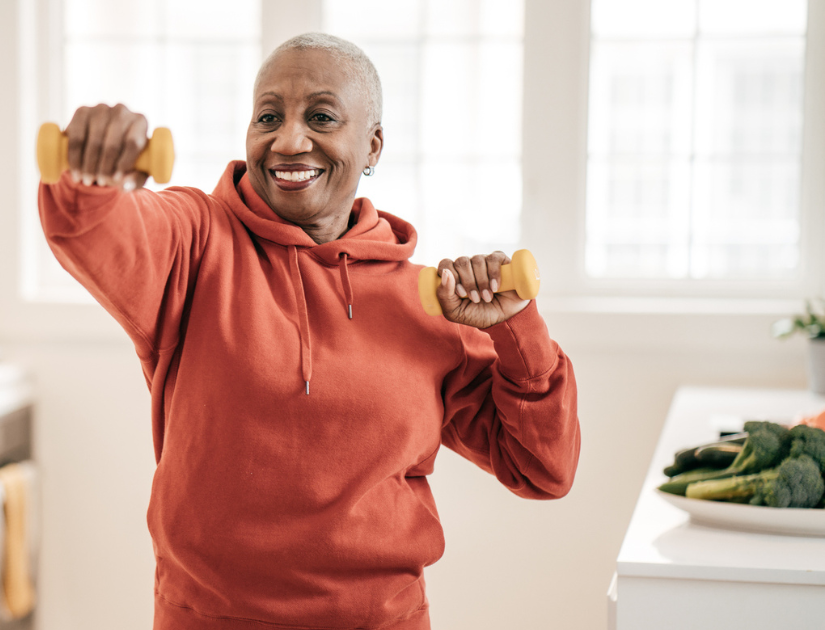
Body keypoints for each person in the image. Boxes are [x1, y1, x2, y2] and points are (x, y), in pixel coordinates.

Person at [39, 32, 579, 630]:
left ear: (371, 146)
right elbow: (96, 230)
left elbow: (543, 468)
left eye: (321, 116)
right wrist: (88, 177)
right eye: (268, 116)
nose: (289, 140)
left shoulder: (428, 303)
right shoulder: (195, 243)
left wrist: (514, 331)